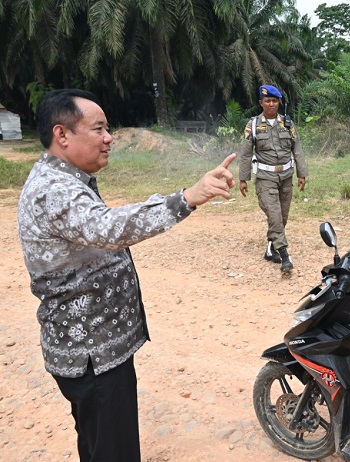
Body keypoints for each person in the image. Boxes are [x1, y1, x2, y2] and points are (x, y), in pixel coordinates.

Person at [17, 88, 236, 461]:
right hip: (91, 356)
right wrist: (186, 198)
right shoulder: (52, 189)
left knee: (98, 443)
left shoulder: (67, 178)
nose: (109, 138)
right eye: (99, 128)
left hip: (96, 350)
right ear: (62, 135)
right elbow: (109, 229)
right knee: (112, 450)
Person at [238, 84, 308, 272]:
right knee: (275, 215)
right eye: (267, 100)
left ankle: (271, 248)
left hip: (286, 176)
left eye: (274, 100)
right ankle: (285, 255)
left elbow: (297, 150)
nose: (271, 104)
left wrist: (302, 174)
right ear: (261, 103)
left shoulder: (287, 123)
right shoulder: (253, 125)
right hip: (265, 178)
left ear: (279, 103)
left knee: (282, 217)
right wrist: (243, 178)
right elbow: (245, 154)